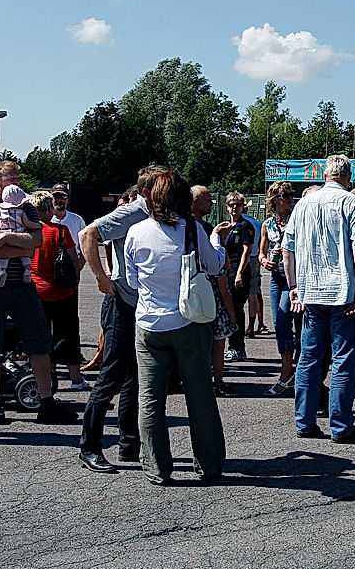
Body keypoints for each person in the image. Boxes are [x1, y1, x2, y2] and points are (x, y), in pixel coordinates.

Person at [125, 169, 226, 485]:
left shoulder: (136, 232)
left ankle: (157, 466)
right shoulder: (193, 229)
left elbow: (130, 281)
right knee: (200, 396)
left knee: (151, 398)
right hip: (189, 322)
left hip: (150, 325)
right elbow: (214, 265)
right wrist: (216, 242)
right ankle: (209, 464)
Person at [0, 160, 77, 426]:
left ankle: (46, 402)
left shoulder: (28, 208)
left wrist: (5, 239)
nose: (17, 181)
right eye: (12, 177)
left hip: (23, 284)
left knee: (39, 339)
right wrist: (16, 245)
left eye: (19, 177)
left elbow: (37, 243)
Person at [78, 166, 165, 474]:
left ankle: (130, 444)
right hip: (121, 304)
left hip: (140, 306)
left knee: (136, 378)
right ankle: (90, 446)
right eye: (159, 187)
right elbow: (87, 233)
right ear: (145, 191)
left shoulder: (158, 213)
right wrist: (101, 277)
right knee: (111, 378)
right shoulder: (130, 213)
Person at [284, 154, 355, 444]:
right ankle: (341, 425)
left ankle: (304, 421)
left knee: (309, 359)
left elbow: (287, 249)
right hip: (343, 292)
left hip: (311, 292)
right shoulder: (352, 202)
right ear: (348, 177)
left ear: (325, 174)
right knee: (344, 361)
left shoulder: (303, 204)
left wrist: (294, 286)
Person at [28, 190, 89, 390]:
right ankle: (75, 378)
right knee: (69, 333)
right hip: (61, 290)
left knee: (41, 334)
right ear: (48, 208)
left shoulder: (27, 233)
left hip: (36, 289)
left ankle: (48, 373)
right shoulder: (60, 231)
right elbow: (72, 259)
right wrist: (76, 275)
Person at [190, 185, 238, 397]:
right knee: (214, 344)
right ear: (193, 201)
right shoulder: (199, 229)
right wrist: (218, 239)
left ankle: (199, 382)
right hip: (206, 296)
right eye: (206, 198)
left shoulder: (189, 226)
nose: (211, 201)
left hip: (194, 295)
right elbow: (217, 268)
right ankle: (215, 382)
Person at [82, 186, 135, 373]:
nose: (120, 210)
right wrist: (104, 274)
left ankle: (102, 358)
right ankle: (100, 358)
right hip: (117, 284)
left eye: (124, 206)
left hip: (127, 286)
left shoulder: (134, 222)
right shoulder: (118, 221)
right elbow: (101, 245)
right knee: (108, 324)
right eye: (119, 206)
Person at [258, 181, 297, 396]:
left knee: (288, 321)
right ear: (275, 199)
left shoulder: (297, 220)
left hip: (295, 277)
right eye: (285, 195)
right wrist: (265, 262)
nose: (290, 198)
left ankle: (289, 373)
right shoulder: (267, 224)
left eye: (291, 194)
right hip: (276, 277)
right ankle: (288, 372)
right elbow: (261, 252)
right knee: (279, 325)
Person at [221, 192, 255, 362]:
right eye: (232, 204)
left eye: (238, 204)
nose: (235, 207)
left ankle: (237, 347)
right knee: (228, 309)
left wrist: (239, 273)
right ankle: (232, 346)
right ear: (227, 207)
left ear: (243, 207)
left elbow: (247, 251)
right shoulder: (226, 226)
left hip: (239, 270)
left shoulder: (245, 226)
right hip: (226, 271)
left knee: (235, 308)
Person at [0, 183, 43, 286]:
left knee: (3, 256)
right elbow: (28, 224)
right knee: (24, 253)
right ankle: (27, 270)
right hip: (19, 236)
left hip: (3, 235)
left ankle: (2, 271)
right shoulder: (21, 212)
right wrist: (38, 226)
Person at [242, 202, 266, 334]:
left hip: (240, 258)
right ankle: (257, 323)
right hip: (254, 257)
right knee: (255, 293)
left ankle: (242, 324)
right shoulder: (257, 223)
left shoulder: (233, 223)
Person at [50, 182, 87, 255]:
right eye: (57, 196)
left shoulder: (77, 220)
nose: (60, 200)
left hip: (72, 262)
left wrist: (79, 264)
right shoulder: (45, 219)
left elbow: (85, 244)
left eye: (64, 197)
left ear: (68, 200)